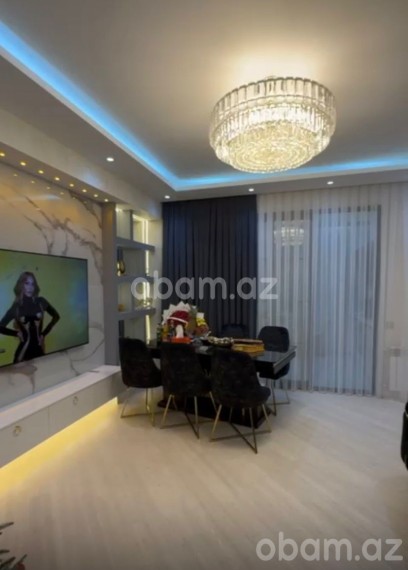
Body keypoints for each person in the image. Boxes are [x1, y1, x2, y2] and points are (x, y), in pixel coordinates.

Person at [0, 271, 60, 363]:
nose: (30, 287)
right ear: (21, 285)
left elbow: (56, 316)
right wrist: (16, 333)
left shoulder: (41, 302)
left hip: (39, 350)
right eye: (27, 283)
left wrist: (43, 334)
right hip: (23, 353)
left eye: (32, 284)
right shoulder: (16, 307)